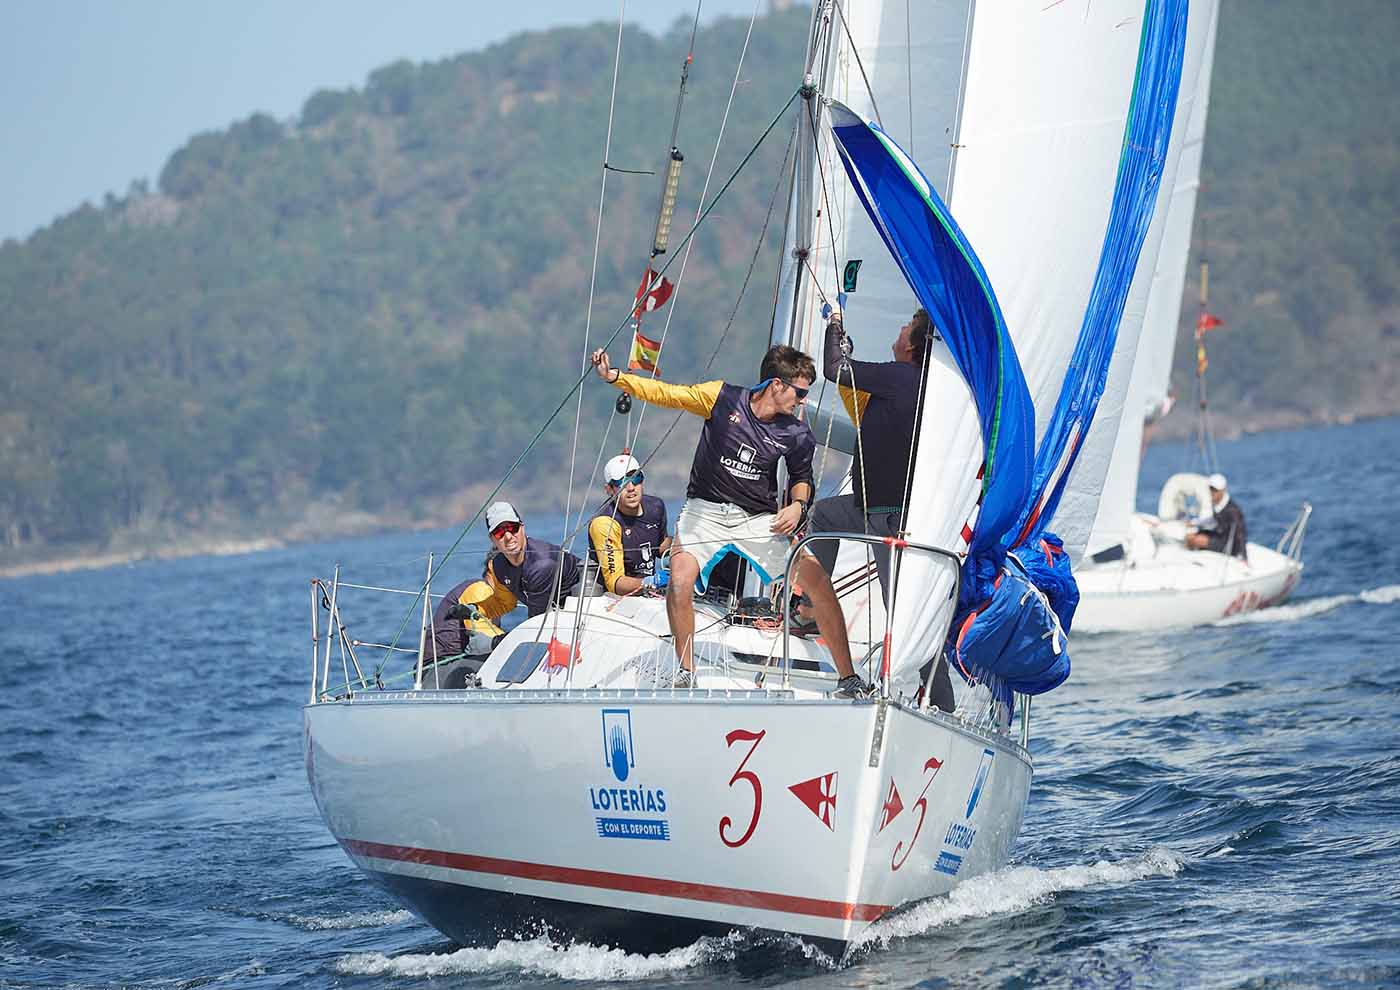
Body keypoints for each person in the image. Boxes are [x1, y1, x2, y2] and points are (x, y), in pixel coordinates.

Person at [591, 342, 868, 697]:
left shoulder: (797, 434)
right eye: (800, 392)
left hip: (757, 519)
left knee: (818, 583)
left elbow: (803, 480)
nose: (803, 400)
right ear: (777, 385)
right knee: (679, 580)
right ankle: (686, 672)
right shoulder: (722, 398)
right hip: (704, 511)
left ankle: (849, 679)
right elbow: (668, 394)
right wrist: (616, 378)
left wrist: (798, 506)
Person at [808, 302, 955, 711]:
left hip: (892, 518)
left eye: (906, 325)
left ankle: (943, 708)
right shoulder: (913, 381)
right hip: (869, 507)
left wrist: (834, 325)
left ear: (914, 345)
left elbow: (836, 368)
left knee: (906, 614)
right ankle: (809, 603)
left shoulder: (903, 377)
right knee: (823, 515)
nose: (900, 328)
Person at [472, 501, 585, 620]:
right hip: (554, 614)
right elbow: (504, 603)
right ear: (492, 539)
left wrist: (497, 639)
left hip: (584, 606)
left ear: (522, 528)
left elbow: (538, 621)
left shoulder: (541, 565)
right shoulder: (497, 565)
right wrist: (474, 609)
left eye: (512, 528)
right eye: (499, 532)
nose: (508, 537)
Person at [588, 453, 673, 595]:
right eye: (621, 482)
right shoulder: (604, 524)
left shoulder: (656, 506)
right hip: (614, 597)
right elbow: (615, 583)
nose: (631, 487)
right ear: (609, 489)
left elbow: (660, 546)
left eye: (636, 478)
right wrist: (651, 582)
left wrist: (683, 544)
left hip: (651, 593)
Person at [421, 577, 506, 688]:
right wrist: (513, 639)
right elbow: (479, 644)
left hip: (455, 665)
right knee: (505, 665)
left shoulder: (493, 597)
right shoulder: (481, 590)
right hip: (438, 671)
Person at [1187, 473, 1248, 559]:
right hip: (1219, 536)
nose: (1212, 493)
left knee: (1197, 540)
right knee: (1189, 537)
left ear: (1223, 490)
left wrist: (1243, 556)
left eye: (1215, 490)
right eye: (1210, 489)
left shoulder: (1233, 510)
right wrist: (1195, 523)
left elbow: (1241, 534)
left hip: (1229, 545)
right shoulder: (1217, 504)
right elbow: (1213, 520)